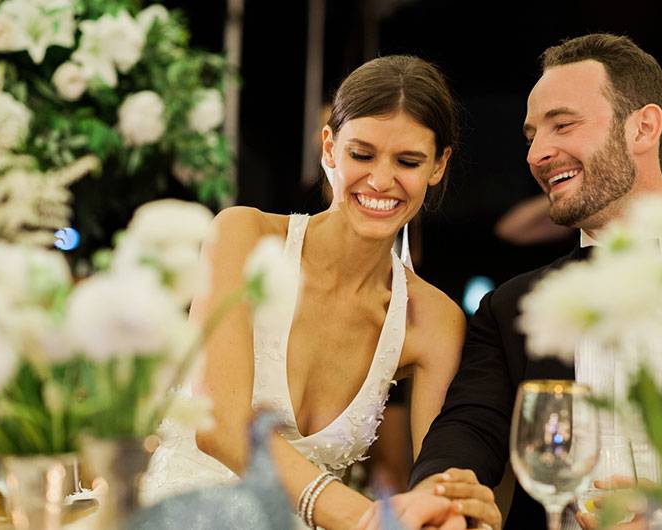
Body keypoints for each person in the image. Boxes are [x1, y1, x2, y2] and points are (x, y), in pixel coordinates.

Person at [141, 55, 468, 530]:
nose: (381, 180)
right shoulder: (243, 235)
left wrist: (445, 511)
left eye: (408, 161)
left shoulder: (435, 321)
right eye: (362, 154)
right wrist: (372, 520)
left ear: (439, 165)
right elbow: (219, 428)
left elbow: (436, 476)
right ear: (329, 148)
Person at [408, 33, 662, 530]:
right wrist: (438, 494)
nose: (537, 155)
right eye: (532, 138)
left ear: (643, 128)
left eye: (563, 125)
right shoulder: (513, 308)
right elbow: (468, 428)